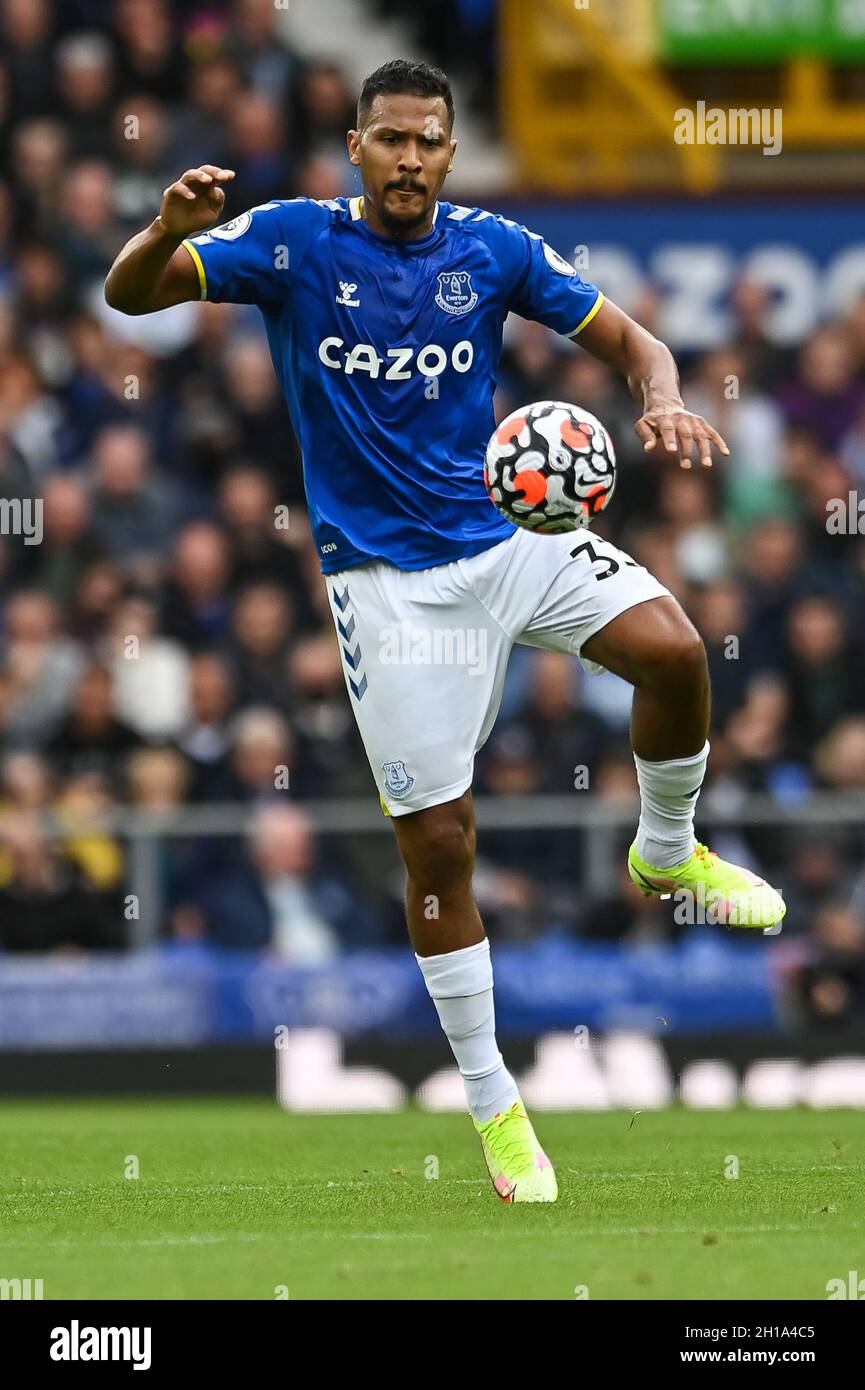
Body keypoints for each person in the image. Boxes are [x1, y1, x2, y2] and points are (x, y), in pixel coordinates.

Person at [104, 58, 786, 1205]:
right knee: (441, 846)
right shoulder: (293, 242)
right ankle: (495, 1104)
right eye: (388, 140)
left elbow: (635, 343)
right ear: (356, 147)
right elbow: (134, 297)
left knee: (673, 648)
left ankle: (665, 851)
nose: (408, 158)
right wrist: (162, 227)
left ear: (451, 150)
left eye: (427, 141)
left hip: (508, 534)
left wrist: (662, 398)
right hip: (386, 586)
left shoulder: (495, 248)